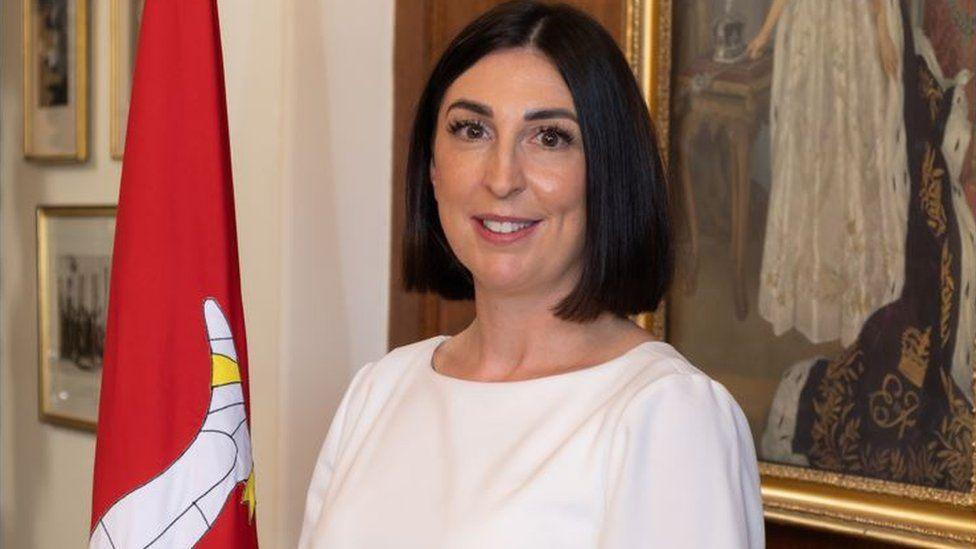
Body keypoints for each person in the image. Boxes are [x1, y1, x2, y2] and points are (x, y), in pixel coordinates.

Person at [298, 2, 764, 547]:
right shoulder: (379, 393)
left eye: (549, 138)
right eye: (472, 129)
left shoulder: (666, 416)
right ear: (431, 166)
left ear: (607, 173)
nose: (502, 178)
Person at [746, 0, 909, 348]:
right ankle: (808, 295)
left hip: (852, 36)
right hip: (809, 39)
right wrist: (764, 33)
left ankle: (856, 292)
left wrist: (882, 30)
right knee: (810, 158)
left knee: (852, 154)